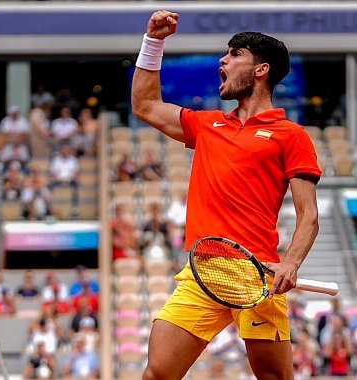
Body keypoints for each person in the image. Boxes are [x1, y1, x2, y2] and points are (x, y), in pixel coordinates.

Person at [132, 12, 322, 380]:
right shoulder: (208, 125)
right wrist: (153, 42)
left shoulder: (291, 135)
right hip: (202, 270)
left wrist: (291, 264)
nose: (223, 60)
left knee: (274, 377)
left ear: (261, 69)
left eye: (234, 54)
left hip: (257, 275)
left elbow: (309, 215)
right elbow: (145, 106)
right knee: (157, 373)